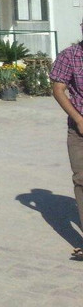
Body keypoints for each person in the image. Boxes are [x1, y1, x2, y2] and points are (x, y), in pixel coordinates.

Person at [50, 19, 83, 261]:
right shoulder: (69, 56)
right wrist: (78, 119)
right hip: (79, 130)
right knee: (81, 181)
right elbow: (58, 89)